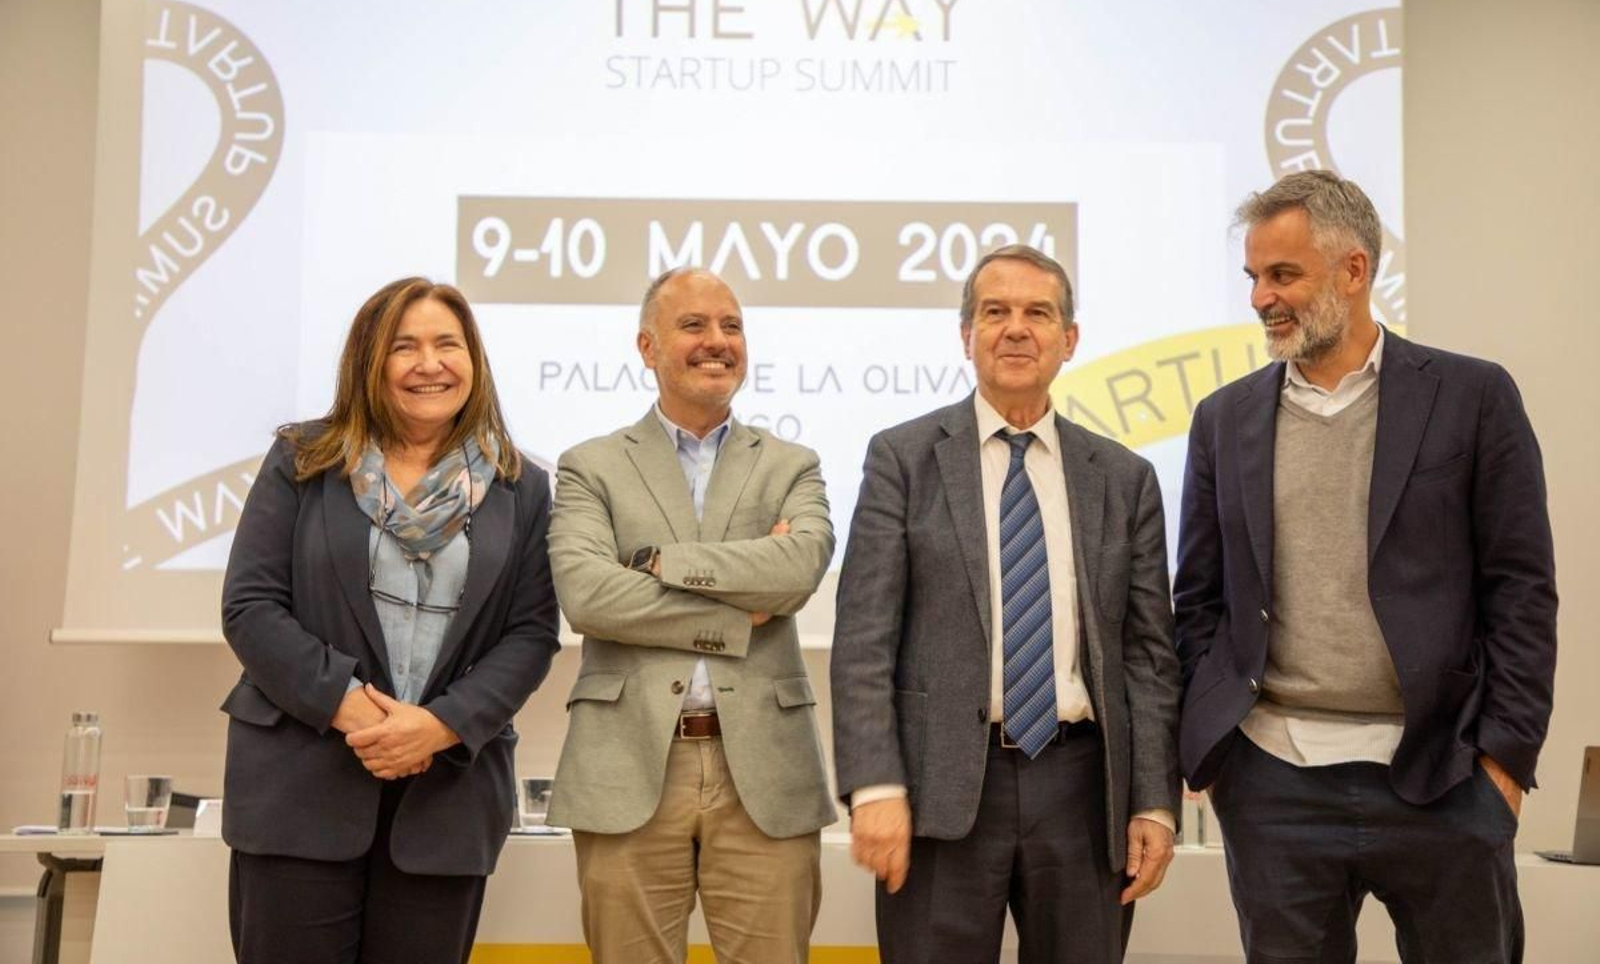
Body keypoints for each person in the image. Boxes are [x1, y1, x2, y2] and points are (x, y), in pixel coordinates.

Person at [1173, 170, 1558, 963]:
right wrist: (1215, 754)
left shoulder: (1472, 396)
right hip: (1273, 781)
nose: (1259, 298)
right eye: (1253, 277)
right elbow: (1199, 599)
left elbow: (1521, 590)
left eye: (1283, 274)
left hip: (1446, 774)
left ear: (1354, 270)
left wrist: (1503, 765)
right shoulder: (1223, 419)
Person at [831, 245, 1182, 964]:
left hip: (1085, 792)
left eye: (1037, 313)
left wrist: (1153, 800)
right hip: (941, 793)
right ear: (966, 335)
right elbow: (864, 638)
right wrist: (874, 782)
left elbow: (1149, 657)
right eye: (995, 312)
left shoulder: (1124, 478)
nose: (1016, 329)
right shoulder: (903, 459)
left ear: (1069, 339)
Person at [219, 278, 561, 964]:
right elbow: (250, 606)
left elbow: (529, 634)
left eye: (447, 344)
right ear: (369, 362)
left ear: (475, 360)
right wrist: (348, 706)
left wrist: (439, 724)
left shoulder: (521, 485)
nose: (428, 363)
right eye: (404, 346)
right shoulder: (304, 460)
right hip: (299, 790)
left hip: (446, 801)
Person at [545, 268, 836, 964]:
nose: (717, 341)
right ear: (647, 347)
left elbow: (796, 569)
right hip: (628, 763)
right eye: (694, 325)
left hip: (766, 768)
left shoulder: (794, 463)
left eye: (731, 326)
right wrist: (739, 613)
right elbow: (588, 595)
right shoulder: (590, 465)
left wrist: (656, 561)